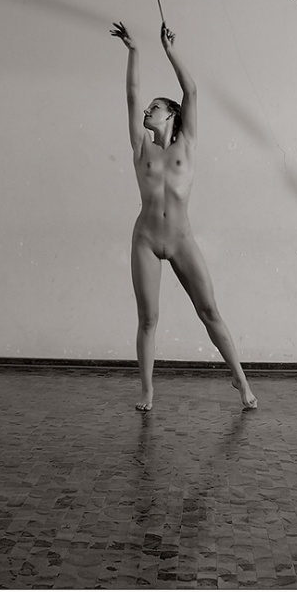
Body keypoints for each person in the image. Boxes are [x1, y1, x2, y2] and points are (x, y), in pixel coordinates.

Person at [110, 21, 258, 412]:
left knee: (209, 311)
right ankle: (147, 390)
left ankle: (240, 380)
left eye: (155, 108)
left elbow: (191, 91)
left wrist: (169, 51)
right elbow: (131, 94)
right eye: (147, 108)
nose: (147, 111)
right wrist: (134, 51)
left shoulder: (187, 144)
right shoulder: (141, 146)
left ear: (171, 115)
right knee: (148, 319)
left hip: (180, 239)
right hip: (145, 239)